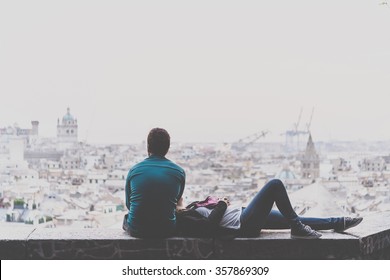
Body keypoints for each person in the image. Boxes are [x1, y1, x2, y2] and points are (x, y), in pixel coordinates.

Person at [176, 179, 363, 239]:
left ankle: (338, 222)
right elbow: (209, 227)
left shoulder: (189, 209)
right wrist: (223, 204)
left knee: (293, 218)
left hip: (244, 215)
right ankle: (298, 230)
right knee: (275, 185)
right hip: (243, 223)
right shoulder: (184, 219)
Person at [124, 128, 186, 238]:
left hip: (137, 229)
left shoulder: (134, 170)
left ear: (148, 147)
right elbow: (175, 203)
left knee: (126, 217)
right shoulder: (179, 172)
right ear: (167, 148)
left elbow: (129, 204)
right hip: (166, 230)